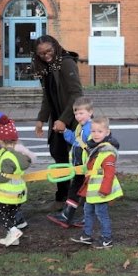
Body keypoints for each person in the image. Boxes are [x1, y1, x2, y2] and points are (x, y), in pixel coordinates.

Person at [32, 35, 83, 211]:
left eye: (48, 51)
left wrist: (64, 119)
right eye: (41, 53)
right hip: (57, 121)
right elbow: (48, 97)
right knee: (58, 156)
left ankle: (78, 200)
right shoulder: (46, 68)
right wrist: (41, 119)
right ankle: (62, 199)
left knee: (79, 161)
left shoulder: (66, 63)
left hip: (73, 120)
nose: (46, 55)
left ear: (56, 47)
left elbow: (77, 94)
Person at [70, 116, 122, 249]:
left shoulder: (107, 152)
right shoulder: (95, 148)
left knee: (101, 214)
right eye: (93, 131)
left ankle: (107, 239)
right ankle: (87, 235)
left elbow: (109, 174)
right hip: (92, 191)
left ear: (107, 133)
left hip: (101, 191)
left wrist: (105, 190)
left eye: (99, 131)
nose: (95, 134)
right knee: (88, 211)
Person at [47, 96, 94, 228]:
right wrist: (65, 131)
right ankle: (68, 215)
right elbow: (75, 140)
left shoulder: (91, 128)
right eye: (76, 113)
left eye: (81, 113)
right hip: (80, 167)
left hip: (87, 167)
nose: (78, 116)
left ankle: (79, 217)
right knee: (77, 190)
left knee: (85, 191)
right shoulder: (81, 127)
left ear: (90, 112)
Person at [0, 116, 32, 247]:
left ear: (1, 141)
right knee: (10, 215)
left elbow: (4, 176)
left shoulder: (6, 157)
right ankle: (12, 238)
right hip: (20, 193)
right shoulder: (19, 154)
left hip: (8, 193)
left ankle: (13, 231)